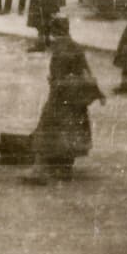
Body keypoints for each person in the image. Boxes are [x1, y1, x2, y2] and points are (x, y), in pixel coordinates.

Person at [31, 17, 105, 181]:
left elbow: (57, 77)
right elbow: (87, 72)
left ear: (54, 32)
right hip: (76, 97)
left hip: (61, 96)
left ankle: (40, 170)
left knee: (49, 128)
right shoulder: (77, 47)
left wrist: (52, 82)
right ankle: (65, 169)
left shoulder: (58, 50)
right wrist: (97, 93)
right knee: (73, 130)